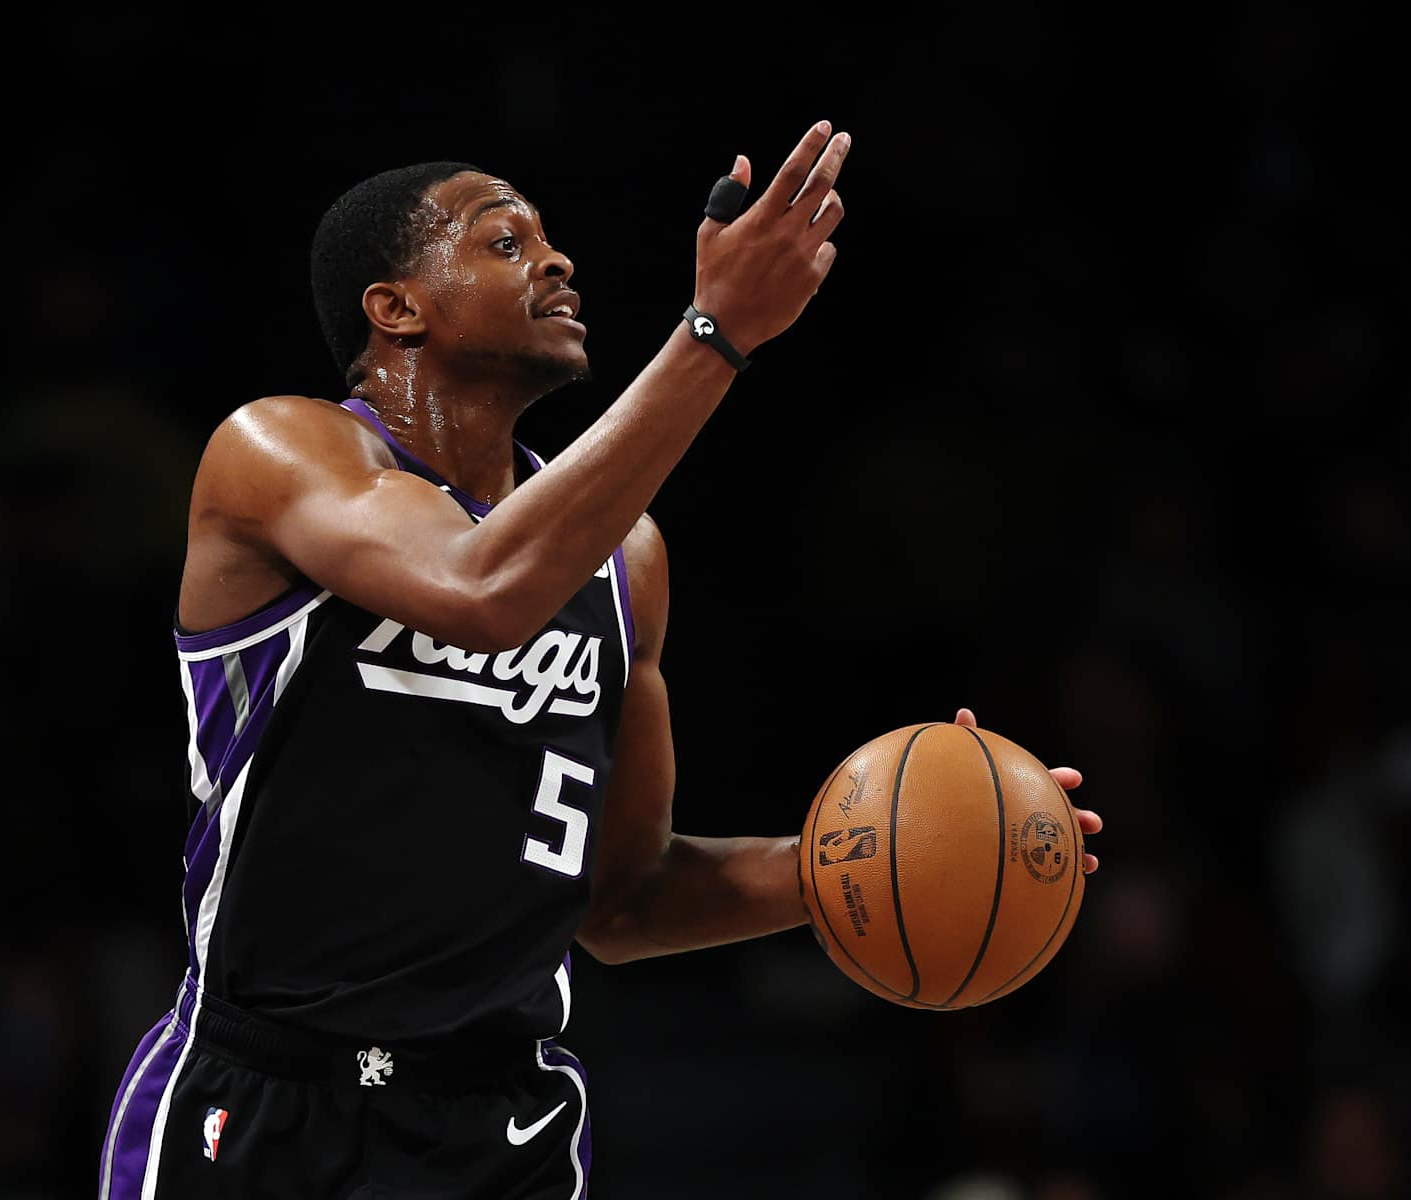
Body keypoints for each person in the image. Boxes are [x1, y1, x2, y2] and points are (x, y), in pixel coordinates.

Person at [97, 119, 1102, 1199]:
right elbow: (480, 589)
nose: (557, 259)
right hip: (260, 1107)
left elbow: (621, 902)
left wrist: (881, 853)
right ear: (396, 309)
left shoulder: (627, 560)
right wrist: (715, 336)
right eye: (503, 241)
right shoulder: (279, 452)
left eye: (548, 240)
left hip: (500, 1128)